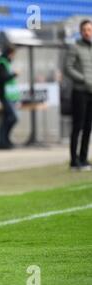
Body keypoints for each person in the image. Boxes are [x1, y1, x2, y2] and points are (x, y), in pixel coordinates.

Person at [65, 19, 92, 171]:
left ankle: (84, 158)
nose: (87, 32)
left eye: (89, 29)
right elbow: (67, 68)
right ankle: (74, 161)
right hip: (79, 92)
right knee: (78, 126)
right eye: (85, 30)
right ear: (81, 31)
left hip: (91, 92)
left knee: (88, 127)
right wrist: (84, 79)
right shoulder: (74, 47)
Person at [0, 45, 20, 149]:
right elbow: (2, 78)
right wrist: (14, 74)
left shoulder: (5, 63)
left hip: (8, 96)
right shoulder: (2, 64)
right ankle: (3, 141)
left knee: (8, 118)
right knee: (12, 118)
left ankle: (5, 141)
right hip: (4, 96)